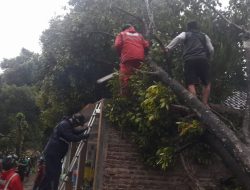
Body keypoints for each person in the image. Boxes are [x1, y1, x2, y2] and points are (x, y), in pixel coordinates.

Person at [165, 21, 214, 106]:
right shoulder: (204, 35)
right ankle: (205, 104)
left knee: (191, 83)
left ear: (188, 28)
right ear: (197, 27)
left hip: (189, 60)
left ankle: (196, 105)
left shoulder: (185, 34)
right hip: (203, 59)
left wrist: (168, 48)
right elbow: (211, 49)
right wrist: (210, 58)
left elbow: (178, 39)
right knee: (206, 82)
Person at [37, 113, 88, 190]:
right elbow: (71, 137)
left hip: (56, 155)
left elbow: (74, 132)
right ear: (75, 122)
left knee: (55, 175)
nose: (77, 126)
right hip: (52, 154)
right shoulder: (64, 124)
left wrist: (84, 130)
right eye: (78, 124)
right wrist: (83, 136)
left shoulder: (68, 125)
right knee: (51, 175)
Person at [114, 24, 150, 96]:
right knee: (138, 76)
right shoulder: (139, 35)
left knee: (124, 76)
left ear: (124, 29)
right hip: (140, 59)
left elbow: (117, 45)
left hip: (128, 59)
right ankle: (140, 94)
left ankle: (126, 97)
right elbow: (146, 46)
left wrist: (119, 55)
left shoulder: (121, 34)